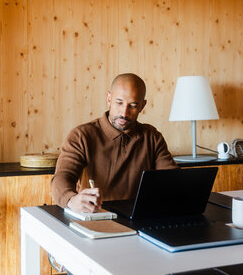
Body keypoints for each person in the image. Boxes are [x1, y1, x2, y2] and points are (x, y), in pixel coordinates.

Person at [51, 73, 178, 212]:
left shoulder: (152, 136)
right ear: (109, 98)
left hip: (139, 217)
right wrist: (71, 200)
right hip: (95, 216)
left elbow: (171, 179)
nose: (124, 112)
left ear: (142, 105)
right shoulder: (82, 135)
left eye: (133, 105)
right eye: (119, 102)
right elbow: (62, 177)